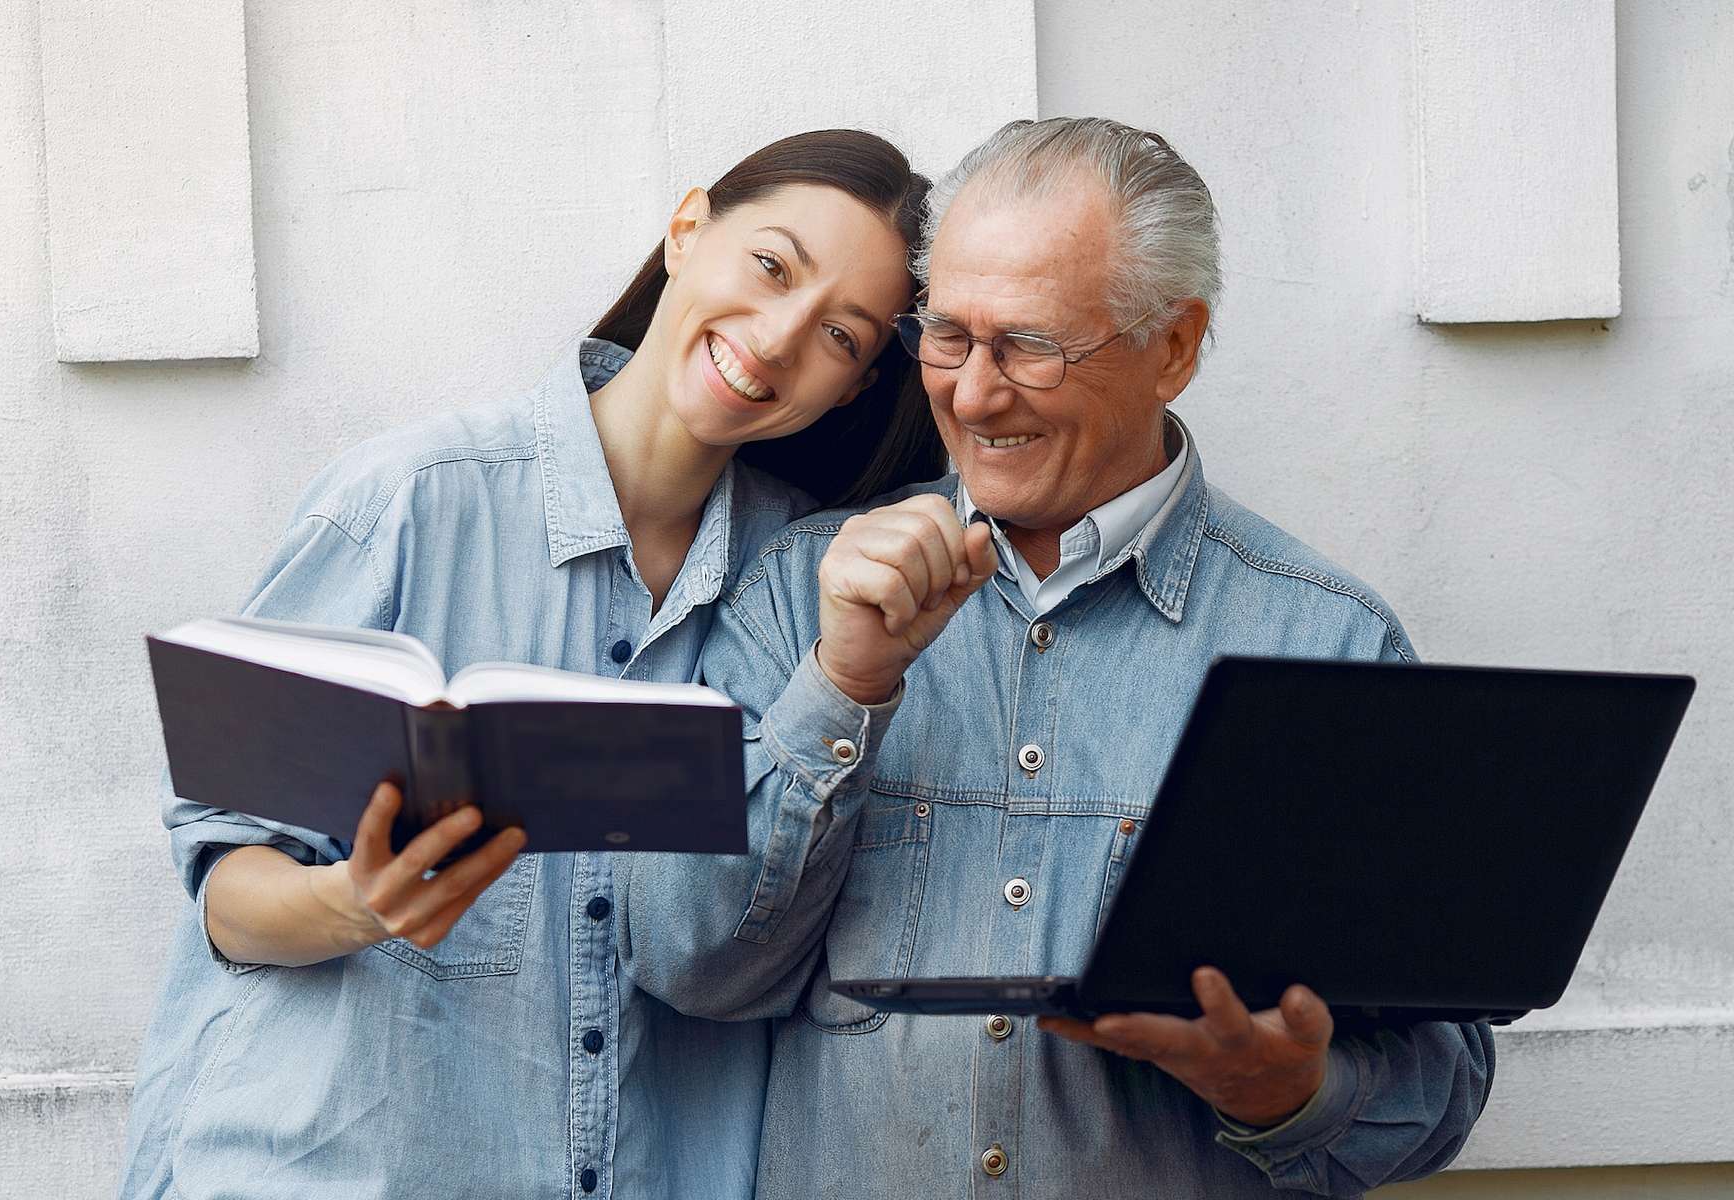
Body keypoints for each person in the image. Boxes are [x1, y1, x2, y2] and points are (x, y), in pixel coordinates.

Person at [621, 117, 1494, 1198]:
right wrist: (841, 687)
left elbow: (1443, 1093)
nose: (975, 397)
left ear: (1173, 346)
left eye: (1030, 347)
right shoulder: (800, 593)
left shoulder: (1329, 646)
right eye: (946, 337)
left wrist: (1286, 1092)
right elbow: (685, 965)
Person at [118, 129, 942, 1200]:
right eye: (771, 266)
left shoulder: (808, 592)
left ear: (854, 385)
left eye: (838, 331)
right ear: (687, 231)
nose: (779, 337)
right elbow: (228, 885)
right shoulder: (407, 504)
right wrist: (355, 904)